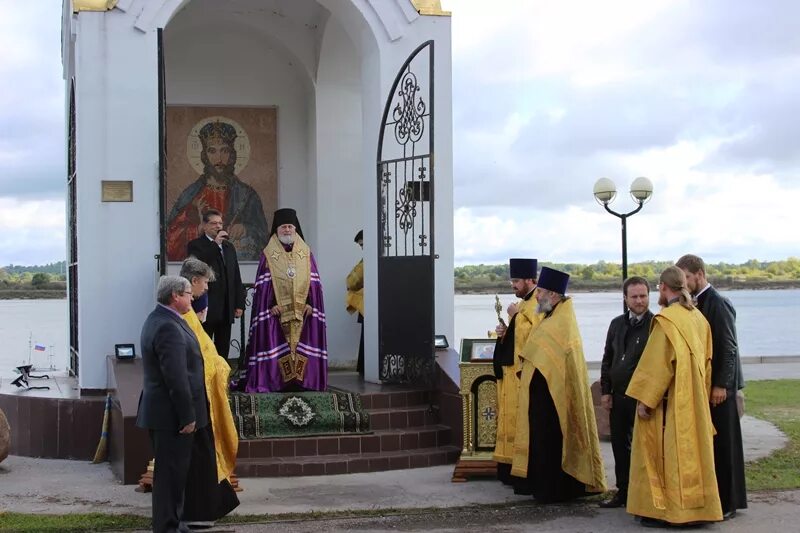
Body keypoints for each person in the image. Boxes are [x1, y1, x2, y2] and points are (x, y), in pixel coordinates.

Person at [626, 266, 722, 527]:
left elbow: (658, 365)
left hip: (671, 404)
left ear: (663, 288)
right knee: (695, 456)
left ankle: (671, 512)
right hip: (695, 401)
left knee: (667, 456)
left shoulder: (667, 320)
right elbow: (708, 362)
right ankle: (699, 509)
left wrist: (645, 400)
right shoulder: (698, 319)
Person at [510, 267, 606, 502]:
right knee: (543, 441)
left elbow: (551, 358)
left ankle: (557, 489)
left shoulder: (561, 320)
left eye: (541, 291)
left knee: (553, 441)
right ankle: (544, 486)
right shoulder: (550, 315)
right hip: (543, 397)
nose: (538, 296)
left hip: (554, 398)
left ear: (553, 294)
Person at [676, 254, 747, 519]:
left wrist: (721, 385)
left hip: (721, 390)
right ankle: (717, 499)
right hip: (709, 387)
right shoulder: (697, 303)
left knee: (725, 446)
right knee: (713, 446)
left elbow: (729, 348)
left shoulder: (718, 303)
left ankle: (729, 503)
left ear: (699, 274)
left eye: (686, 278)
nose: (684, 283)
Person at [135, 275, 208, 533]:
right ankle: (167, 527)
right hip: (171, 416)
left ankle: (172, 522)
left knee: (174, 474)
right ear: (175, 296)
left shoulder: (163, 318)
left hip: (166, 414)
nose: (193, 296)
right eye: (189, 293)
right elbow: (176, 377)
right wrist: (187, 416)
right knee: (169, 476)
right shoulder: (166, 326)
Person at [235, 208, 328, 392]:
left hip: (303, 312)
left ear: (295, 229)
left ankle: (303, 382)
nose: (287, 230)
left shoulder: (306, 253)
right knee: (278, 346)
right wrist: (271, 305)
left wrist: (310, 303)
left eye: (290, 227)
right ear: (277, 230)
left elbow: (313, 283)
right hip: (276, 313)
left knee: (300, 348)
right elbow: (263, 286)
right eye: (283, 227)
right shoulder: (268, 254)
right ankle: (276, 382)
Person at [178, 257, 239, 526]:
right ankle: (198, 514)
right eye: (204, 284)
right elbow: (199, 359)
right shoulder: (184, 317)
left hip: (201, 397)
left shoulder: (190, 314)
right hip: (196, 400)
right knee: (202, 458)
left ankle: (209, 509)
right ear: (193, 281)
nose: (205, 291)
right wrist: (222, 368)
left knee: (205, 457)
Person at [166, 120, 269, 262]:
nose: (219, 158)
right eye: (212, 151)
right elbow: (171, 236)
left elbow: (262, 233)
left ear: (232, 154)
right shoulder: (192, 194)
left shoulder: (247, 195)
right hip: (201, 261)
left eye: (224, 151)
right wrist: (199, 229)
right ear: (204, 156)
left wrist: (245, 229)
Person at [598, 276, 654, 509]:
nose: (640, 301)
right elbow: (607, 358)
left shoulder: (655, 324)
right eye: (635, 297)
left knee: (643, 449)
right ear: (625, 298)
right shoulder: (616, 324)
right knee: (620, 447)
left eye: (643, 296)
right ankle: (623, 492)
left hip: (640, 398)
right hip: (618, 396)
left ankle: (645, 495)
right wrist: (605, 391)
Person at [491, 258, 541, 487]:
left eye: (517, 280)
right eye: (512, 280)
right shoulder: (523, 305)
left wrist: (514, 317)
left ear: (531, 280)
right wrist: (504, 333)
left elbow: (535, 338)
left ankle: (523, 474)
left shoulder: (537, 304)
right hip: (511, 376)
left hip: (524, 377)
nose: (513, 285)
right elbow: (516, 337)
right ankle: (508, 470)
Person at [187, 209, 245, 358]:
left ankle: (223, 381)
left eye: (220, 223)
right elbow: (198, 266)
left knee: (222, 350)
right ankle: (204, 381)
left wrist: (239, 303)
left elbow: (236, 276)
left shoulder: (229, 247)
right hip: (206, 306)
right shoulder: (195, 245)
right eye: (213, 223)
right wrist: (215, 243)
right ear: (204, 226)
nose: (218, 226)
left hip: (226, 308)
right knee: (204, 349)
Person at [345, 230, 365, 376]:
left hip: (368, 304)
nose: (363, 248)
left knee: (367, 336)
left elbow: (352, 281)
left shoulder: (367, 260)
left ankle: (365, 368)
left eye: (363, 244)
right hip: (372, 303)